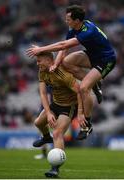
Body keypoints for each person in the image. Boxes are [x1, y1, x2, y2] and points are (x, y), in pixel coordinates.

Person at [26, 5, 116, 135]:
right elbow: (64, 48)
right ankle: (94, 83)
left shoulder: (88, 31)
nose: (66, 21)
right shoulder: (75, 27)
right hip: (93, 55)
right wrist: (56, 64)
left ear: (77, 20)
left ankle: (87, 124)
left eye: (68, 19)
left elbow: (63, 44)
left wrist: (41, 49)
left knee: (84, 88)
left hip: (106, 60)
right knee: (65, 62)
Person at [33, 52, 93, 178]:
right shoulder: (42, 72)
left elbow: (79, 91)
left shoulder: (61, 73)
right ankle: (45, 137)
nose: (37, 63)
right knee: (38, 123)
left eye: (39, 61)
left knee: (57, 133)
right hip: (55, 103)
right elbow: (43, 94)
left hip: (69, 106)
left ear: (49, 60)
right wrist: (48, 112)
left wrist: (81, 112)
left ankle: (55, 168)